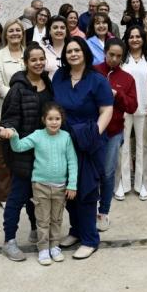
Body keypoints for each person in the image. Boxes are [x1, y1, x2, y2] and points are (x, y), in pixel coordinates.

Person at [53, 38, 114, 259]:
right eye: (69, 51)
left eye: (77, 50)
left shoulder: (97, 79)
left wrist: (93, 134)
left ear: (85, 53)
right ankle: (76, 231)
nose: (73, 54)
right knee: (69, 188)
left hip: (89, 141)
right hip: (65, 140)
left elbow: (107, 110)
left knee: (86, 189)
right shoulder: (59, 76)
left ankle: (90, 239)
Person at [0, 103, 78, 266]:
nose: (54, 122)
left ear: (62, 120)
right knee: (42, 220)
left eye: (57, 119)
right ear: (43, 120)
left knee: (56, 219)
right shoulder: (37, 135)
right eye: (50, 119)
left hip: (60, 187)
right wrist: (13, 135)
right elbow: (19, 147)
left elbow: (72, 161)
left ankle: (54, 246)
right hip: (40, 186)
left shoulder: (66, 137)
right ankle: (43, 248)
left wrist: (72, 185)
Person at [0, 42, 50, 261]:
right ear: (25, 62)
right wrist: (7, 131)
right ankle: (9, 241)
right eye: (33, 60)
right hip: (22, 152)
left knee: (35, 195)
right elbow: (9, 117)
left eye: (41, 59)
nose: (38, 63)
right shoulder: (18, 87)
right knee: (17, 196)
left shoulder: (48, 83)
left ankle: (35, 230)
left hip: (44, 152)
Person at [117, 25, 147, 201]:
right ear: (127, 39)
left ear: (143, 38)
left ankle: (143, 185)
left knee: (143, 147)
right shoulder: (121, 58)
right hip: (122, 109)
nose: (135, 39)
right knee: (122, 147)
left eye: (138, 36)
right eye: (131, 36)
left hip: (144, 109)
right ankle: (121, 184)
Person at [94, 39, 138, 229]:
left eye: (119, 56)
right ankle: (88, 210)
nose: (114, 59)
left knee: (108, 171)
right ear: (105, 52)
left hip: (113, 132)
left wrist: (117, 95)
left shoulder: (127, 78)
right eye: (111, 54)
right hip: (92, 130)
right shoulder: (94, 71)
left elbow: (132, 106)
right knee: (89, 171)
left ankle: (103, 212)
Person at [0, 19, 27, 205]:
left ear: (22, 33)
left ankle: (22, 193)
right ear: (6, 34)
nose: (15, 34)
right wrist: (19, 96)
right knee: (4, 157)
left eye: (18, 31)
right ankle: (4, 196)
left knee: (24, 153)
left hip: (28, 111)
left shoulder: (29, 53)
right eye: (11, 31)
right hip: (4, 110)